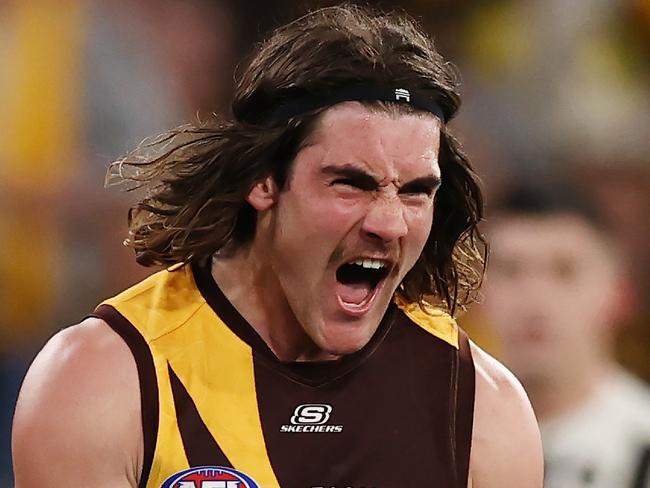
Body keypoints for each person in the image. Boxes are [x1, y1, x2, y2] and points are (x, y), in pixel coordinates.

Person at [12, 5, 543, 488]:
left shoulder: (479, 410)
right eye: (352, 184)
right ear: (263, 181)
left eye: (415, 192)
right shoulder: (105, 379)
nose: (389, 223)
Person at [481, 181, 650, 488]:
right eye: (510, 270)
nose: (534, 299)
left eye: (564, 271)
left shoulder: (642, 447)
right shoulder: (440, 438)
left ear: (620, 293)